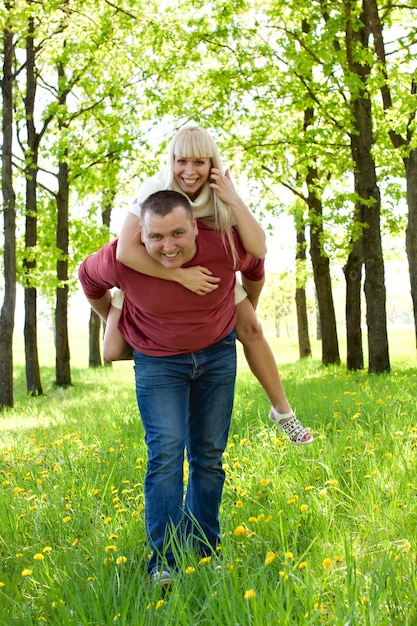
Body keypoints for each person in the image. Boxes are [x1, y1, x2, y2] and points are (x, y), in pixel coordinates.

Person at [78, 190, 265, 586]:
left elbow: (256, 261)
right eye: (156, 237)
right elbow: (87, 278)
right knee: (165, 454)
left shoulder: (221, 244)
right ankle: (163, 560)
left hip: (215, 357)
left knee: (209, 455)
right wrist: (112, 313)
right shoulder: (120, 258)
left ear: (195, 226)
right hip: (158, 361)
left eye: (178, 234)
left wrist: (247, 303)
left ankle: (204, 550)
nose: (168, 246)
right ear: (140, 235)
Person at [109, 124, 313, 445]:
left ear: (211, 164)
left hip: (210, 278)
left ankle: (282, 412)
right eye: (182, 161)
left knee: (252, 329)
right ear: (171, 161)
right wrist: (179, 275)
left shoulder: (220, 192)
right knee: (113, 349)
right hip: (162, 272)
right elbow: (124, 250)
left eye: (199, 162)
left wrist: (233, 199)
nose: (189, 172)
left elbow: (258, 248)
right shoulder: (155, 188)